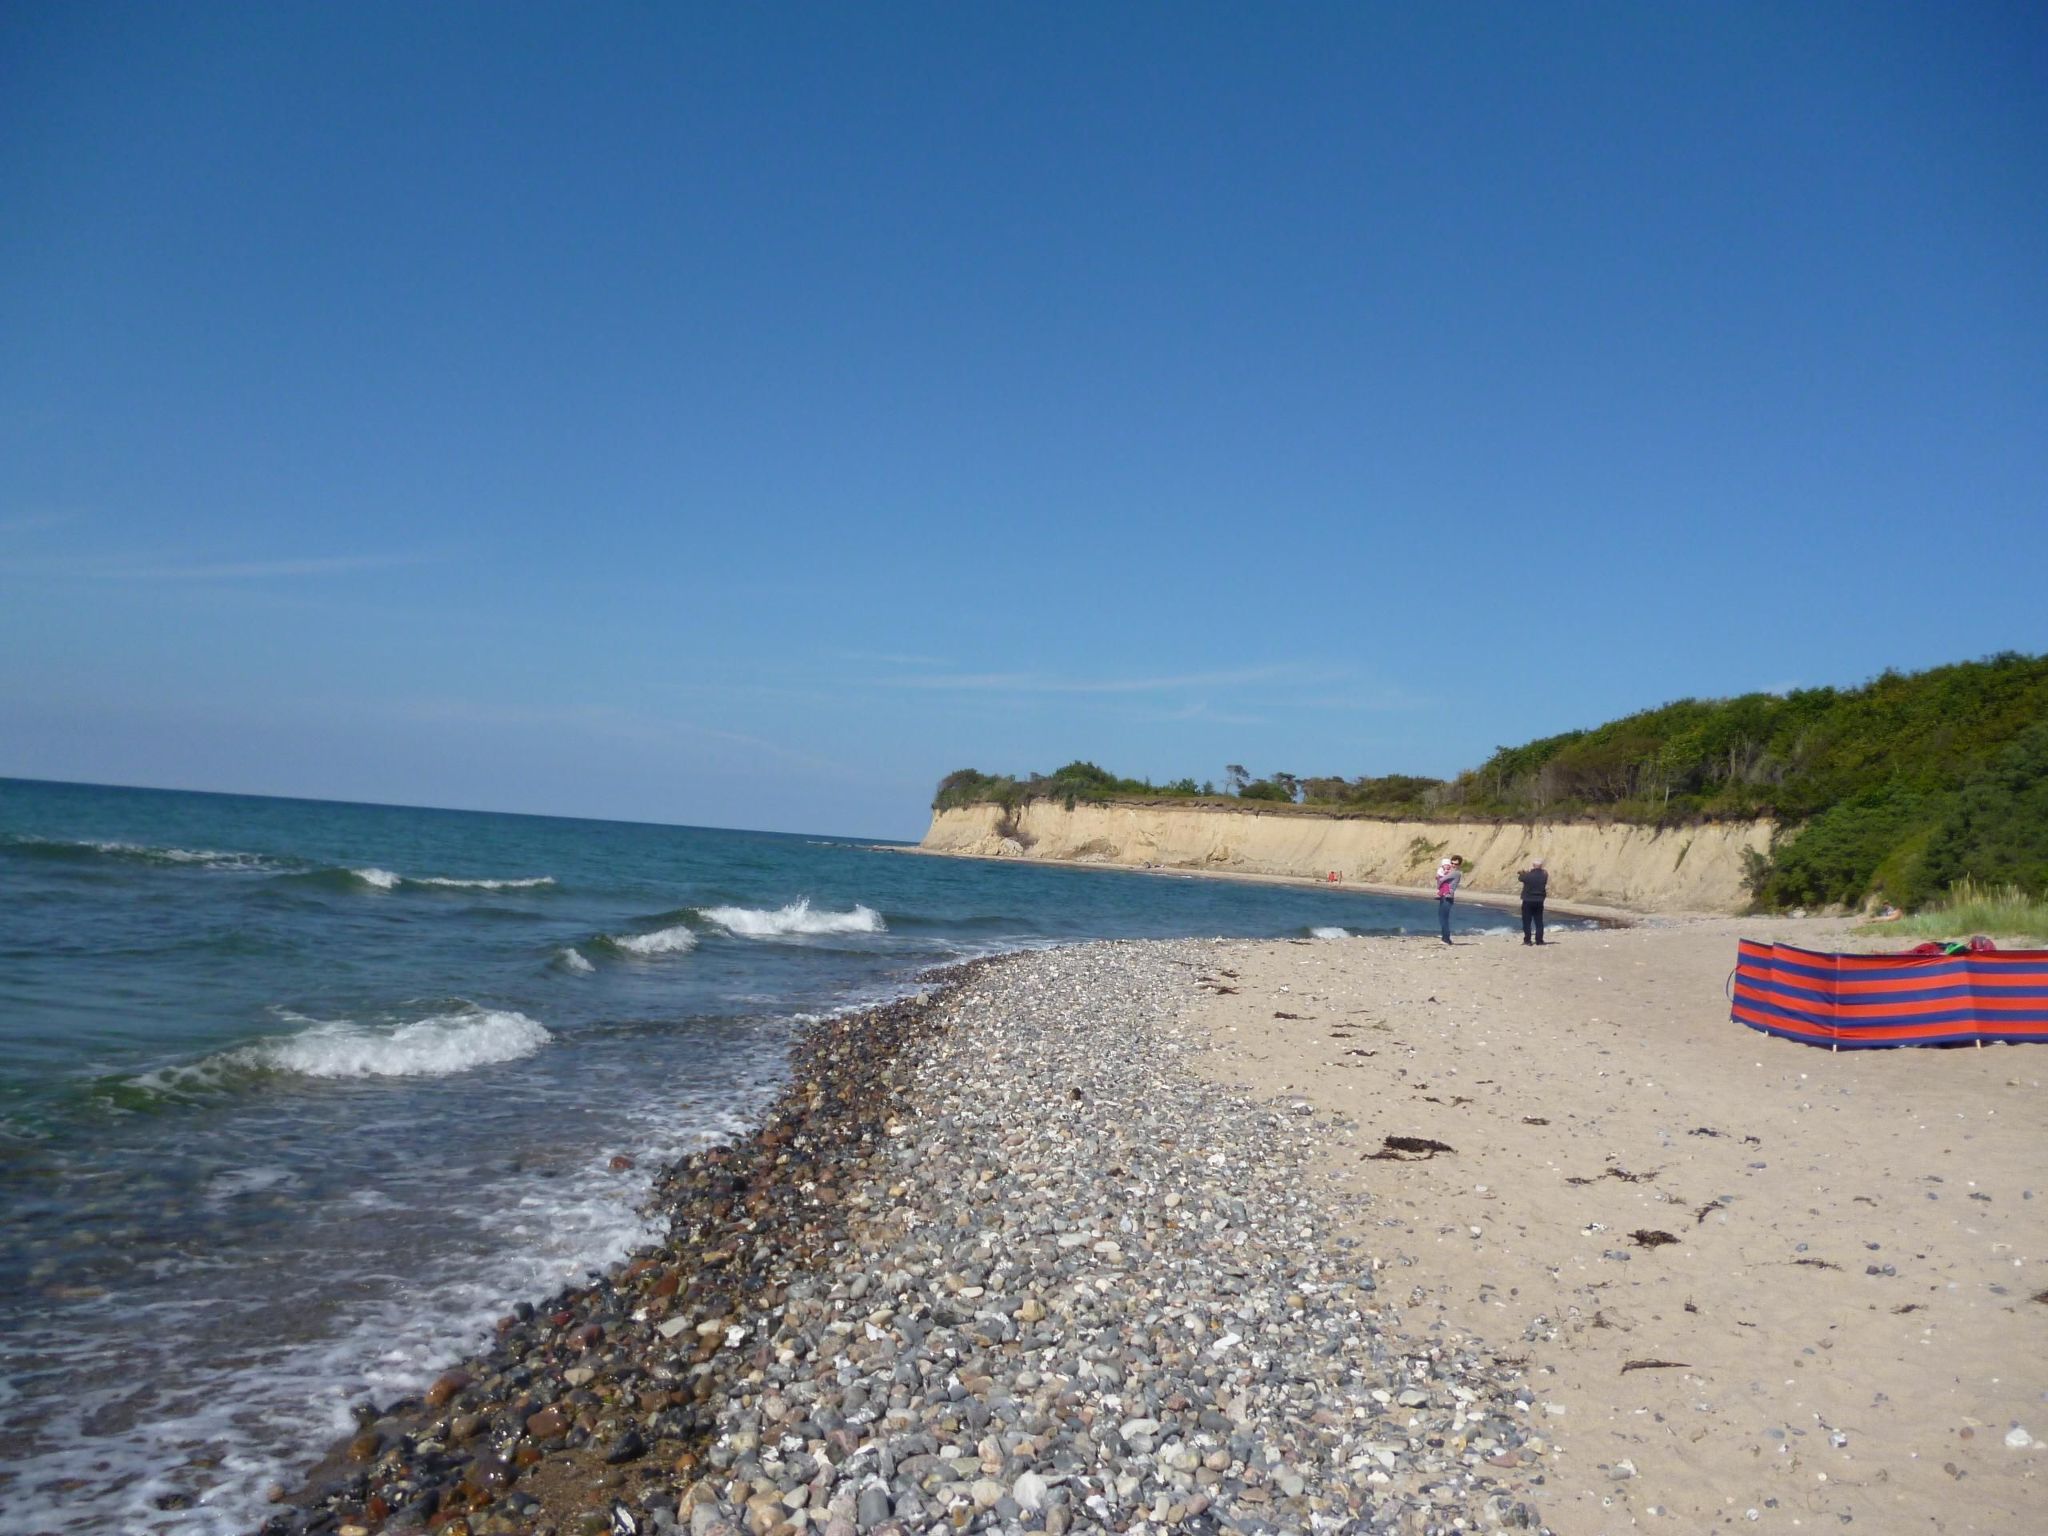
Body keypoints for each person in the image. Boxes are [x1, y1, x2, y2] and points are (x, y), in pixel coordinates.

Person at [1518, 857, 1549, 945]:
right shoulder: (1544, 875)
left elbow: (1520, 878)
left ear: (1533, 866)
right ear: (1541, 866)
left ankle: (1527, 940)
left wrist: (1525, 871)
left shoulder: (1528, 875)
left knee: (1527, 921)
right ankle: (1539, 940)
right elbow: (1544, 872)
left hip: (1528, 900)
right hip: (1539, 901)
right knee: (1539, 921)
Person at [1435, 855, 1463, 944]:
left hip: (1448, 897)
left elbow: (1441, 879)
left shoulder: (1456, 873)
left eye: (1456, 864)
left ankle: (1446, 939)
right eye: (1452, 863)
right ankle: (1446, 938)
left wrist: (1439, 876)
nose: (1453, 865)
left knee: (1443, 918)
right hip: (1444, 895)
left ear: (1459, 865)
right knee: (1442, 917)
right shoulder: (1450, 872)